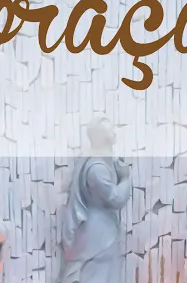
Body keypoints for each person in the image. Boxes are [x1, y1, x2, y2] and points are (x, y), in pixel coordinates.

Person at [58, 116, 133, 283]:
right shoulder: (96, 168)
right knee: (98, 275)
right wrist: (125, 178)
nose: (115, 132)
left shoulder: (98, 162)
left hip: (102, 233)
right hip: (98, 237)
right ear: (102, 136)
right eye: (110, 129)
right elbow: (116, 198)